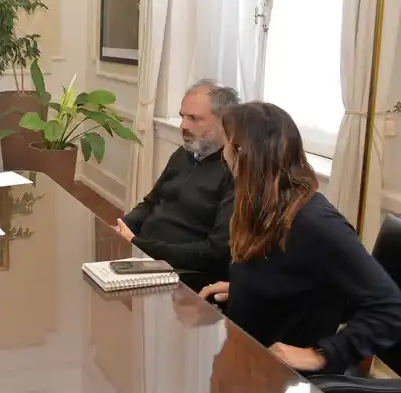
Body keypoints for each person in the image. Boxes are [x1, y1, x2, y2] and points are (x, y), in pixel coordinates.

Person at [199, 102, 401, 374]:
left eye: (227, 144)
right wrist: (246, 291)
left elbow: (390, 307)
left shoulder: (316, 223)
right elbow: (292, 278)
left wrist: (318, 356)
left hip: (283, 378)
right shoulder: (264, 205)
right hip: (247, 357)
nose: (223, 155)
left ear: (244, 153)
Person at [113, 80, 239, 291]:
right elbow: (150, 203)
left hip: (182, 272)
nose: (183, 126)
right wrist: (122, 227)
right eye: (182, 116)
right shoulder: (183, 154)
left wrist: (139, 244)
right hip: (145, 254)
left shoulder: (234, 172)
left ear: (224, 123)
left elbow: (215, 252)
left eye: (194, 118)